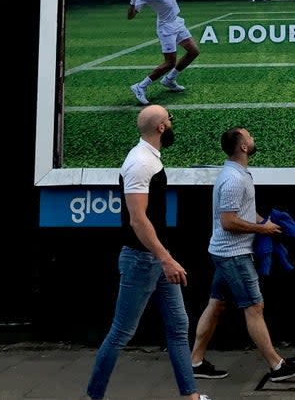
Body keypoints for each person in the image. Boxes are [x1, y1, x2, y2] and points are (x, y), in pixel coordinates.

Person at [85, 105, 211, 400]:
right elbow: (138, 219)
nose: (171, 122)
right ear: (161, 128)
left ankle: (190, 396)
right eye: (169, 118)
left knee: (179, 328)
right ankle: (94, 396)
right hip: (142, 261)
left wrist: (164, 256)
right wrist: (165, 258)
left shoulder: (148, 158)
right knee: (121, 333)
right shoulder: (141, 162)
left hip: (155, 258)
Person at [188, 126, 295, 383]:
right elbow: (229, 221)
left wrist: (266, 224)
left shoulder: (238, 174)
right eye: (249, 137)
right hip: (233, 255)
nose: (253, 139)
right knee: (255, 306)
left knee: (217, 304)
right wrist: (260, 228)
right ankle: (277, 366)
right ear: (243, 147)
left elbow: (241, 213)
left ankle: (195, 362)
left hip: (224, 253)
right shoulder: (234, 179)